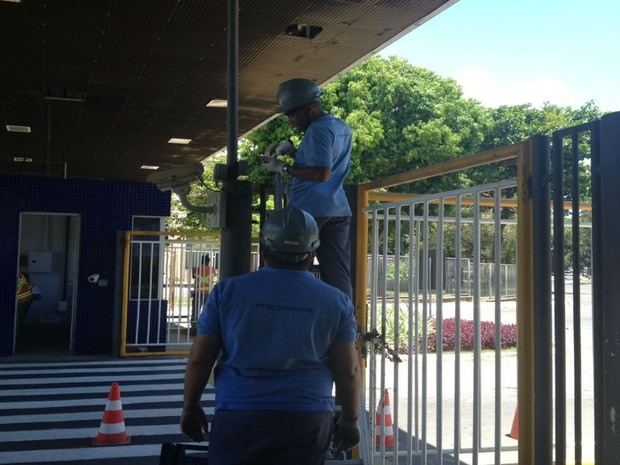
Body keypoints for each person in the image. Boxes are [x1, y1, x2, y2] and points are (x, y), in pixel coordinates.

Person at [181, 206, 361, 465]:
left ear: (264, 251)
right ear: (313, 254)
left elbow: (200, 359)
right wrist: (349, 420)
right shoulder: (336, 301)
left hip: (239, 415)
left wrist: (190, 406)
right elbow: (348, 371)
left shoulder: (227, 292)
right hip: (307, 419)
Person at [262, 78, 353, 299]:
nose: (291, 120)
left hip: (309, 211)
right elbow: (324, 164)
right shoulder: (341, 127)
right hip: (337, 210)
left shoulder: (318, 131)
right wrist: (294, 153)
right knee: (338, 274)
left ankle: (293, 316)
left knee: (291, 268)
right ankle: (345, 326)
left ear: (310, 108)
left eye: (293, 114)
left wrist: (283, 168)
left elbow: (321, 174)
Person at [190, 254, 217, 333]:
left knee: (195, 310)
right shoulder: (212, 269)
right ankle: (207, 326)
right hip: (208, 293)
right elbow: (214, 276)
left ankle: (194, 327)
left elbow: (194, 276)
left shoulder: (196, 270)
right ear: (208, 262)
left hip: (198, 293)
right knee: (208, 311)